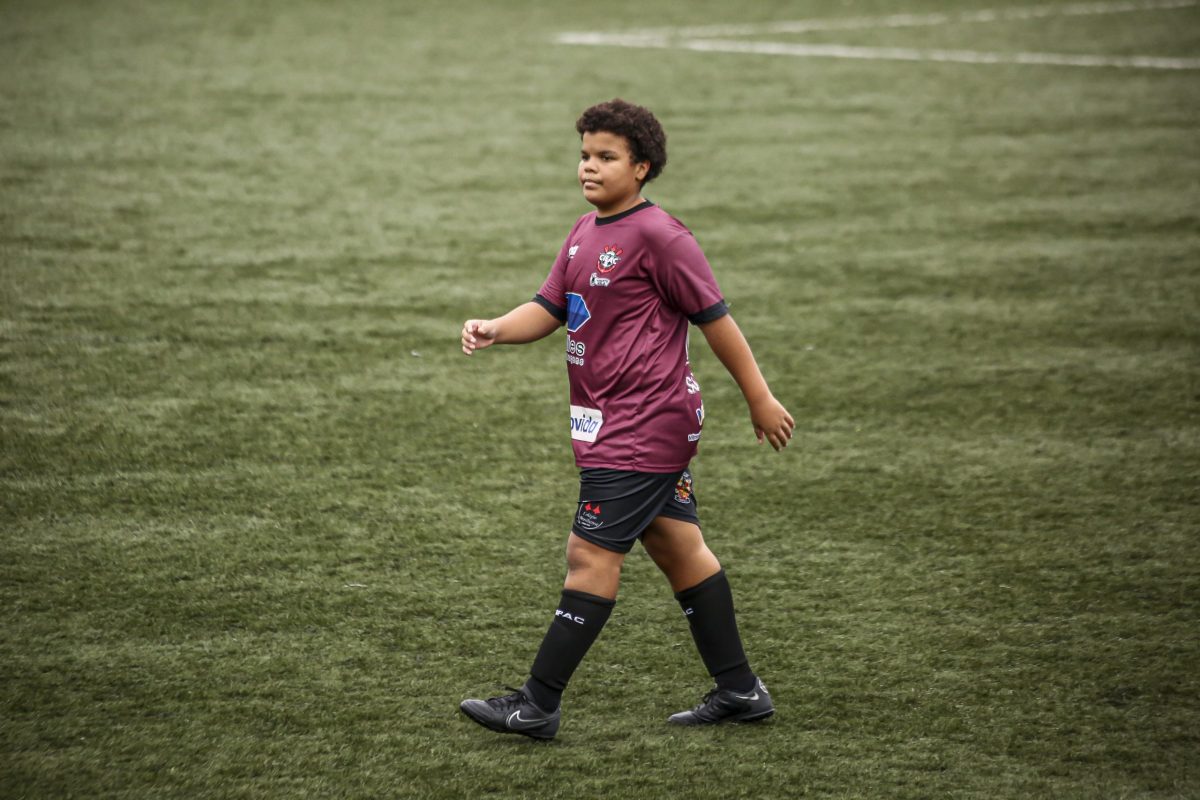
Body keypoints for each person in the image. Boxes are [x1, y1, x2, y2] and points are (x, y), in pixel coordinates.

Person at [458, 98, 794, 740]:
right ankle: (740, 690)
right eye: (584, 154)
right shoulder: (584, 232)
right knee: (679, 549)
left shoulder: (662, 237)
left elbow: (715, 319)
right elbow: (551, 306)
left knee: (588, 555)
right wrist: (497, 327)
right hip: (617, 422)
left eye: (606, 156)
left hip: (642, 425)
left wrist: (759, 397)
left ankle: (537, 704)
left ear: (641, 167)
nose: (589, 166)